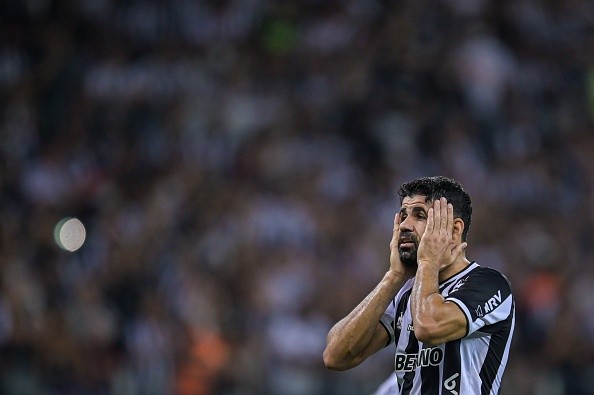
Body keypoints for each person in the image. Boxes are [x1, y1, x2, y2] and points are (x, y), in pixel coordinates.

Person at [323, 176, 515, 394]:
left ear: (454, 231)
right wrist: (394, 276)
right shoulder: (406, 292)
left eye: (419, 215)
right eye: (403, 215)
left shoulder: (489, 285)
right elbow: (336, 355)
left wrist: (427, 262)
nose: (404, 225)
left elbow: (428, 327)